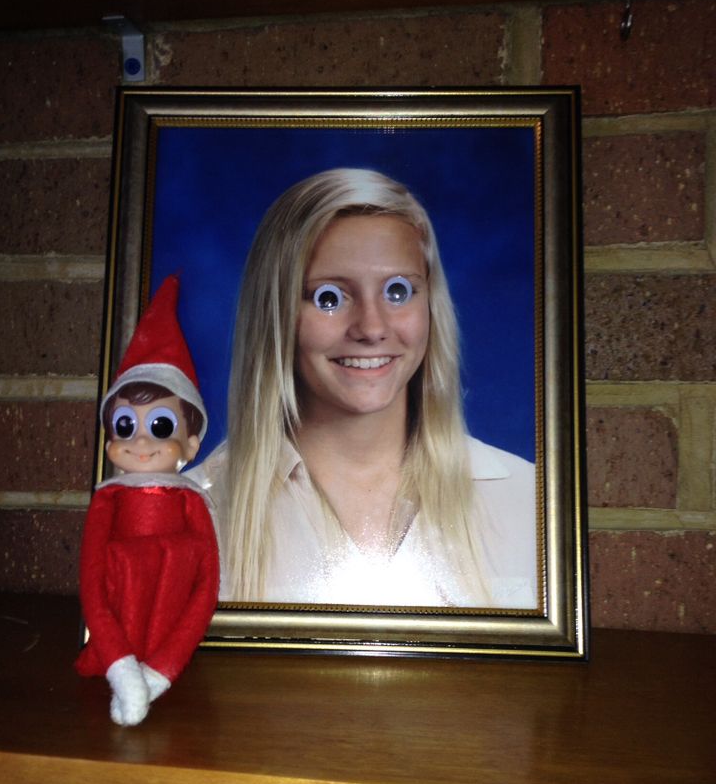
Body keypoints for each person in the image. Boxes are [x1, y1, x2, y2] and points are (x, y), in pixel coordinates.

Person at [194, 168, 537, 609]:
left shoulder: (531, 501)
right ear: (276, 314)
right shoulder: (195, 514)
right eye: (329, 298)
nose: (372, 328)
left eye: (398, 291)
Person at [76, 275, 220, 725]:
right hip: (117, 629)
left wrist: (161, 671)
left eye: (159, 427)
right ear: (108, 443)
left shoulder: (191, 503)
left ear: (191, 445)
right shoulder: (108, 500)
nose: (139, 441)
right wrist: (120, 664)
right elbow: (92, 583)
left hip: (166, 635)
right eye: (123, 426)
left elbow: (205, 588)